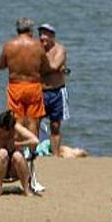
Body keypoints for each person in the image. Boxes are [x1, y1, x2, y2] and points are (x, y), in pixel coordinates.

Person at [0, 18, 49, 145]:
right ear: (30, 30)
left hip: (16, 86)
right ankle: (32, 151)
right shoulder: (38, 46)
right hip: (33, 85)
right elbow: (46, 67)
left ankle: (18, 148)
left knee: (17, 119)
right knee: (33, 120)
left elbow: (1, 65)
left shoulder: (9, 45)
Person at [38, 23, 68, 157]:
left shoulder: (59, 49)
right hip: (40, 91)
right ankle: (33, 152)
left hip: (57, 92)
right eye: (41, 34)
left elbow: (55, 65)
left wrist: (43, 68)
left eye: (46, 34)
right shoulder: (36, 49)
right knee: (35, 123)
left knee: (55, 125)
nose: (43, 37)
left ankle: (55, 155)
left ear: (52, 36)